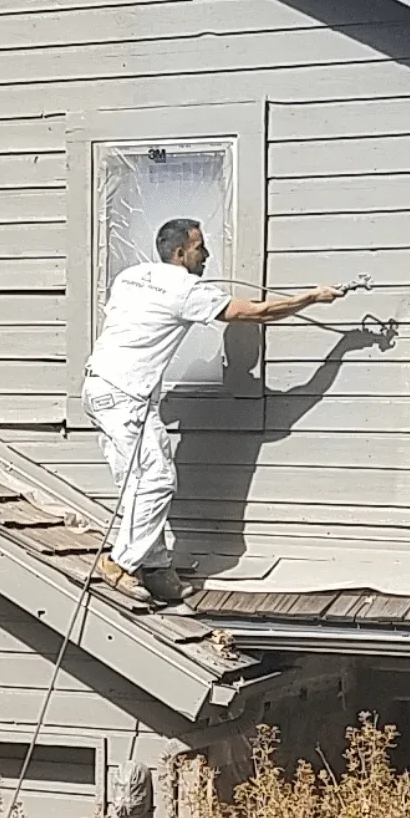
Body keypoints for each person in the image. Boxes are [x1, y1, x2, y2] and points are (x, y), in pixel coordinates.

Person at [83, 219, 341, 604]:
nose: (207, 255)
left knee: (138, 483)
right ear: (180, 253)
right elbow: (258, 312)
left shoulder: (129, 276)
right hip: (126, 397)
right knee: (156, 479)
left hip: (99, 388)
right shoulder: (185, 289)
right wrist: (311, 298)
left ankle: (154, 567)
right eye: (201, 248)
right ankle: (119, 563)